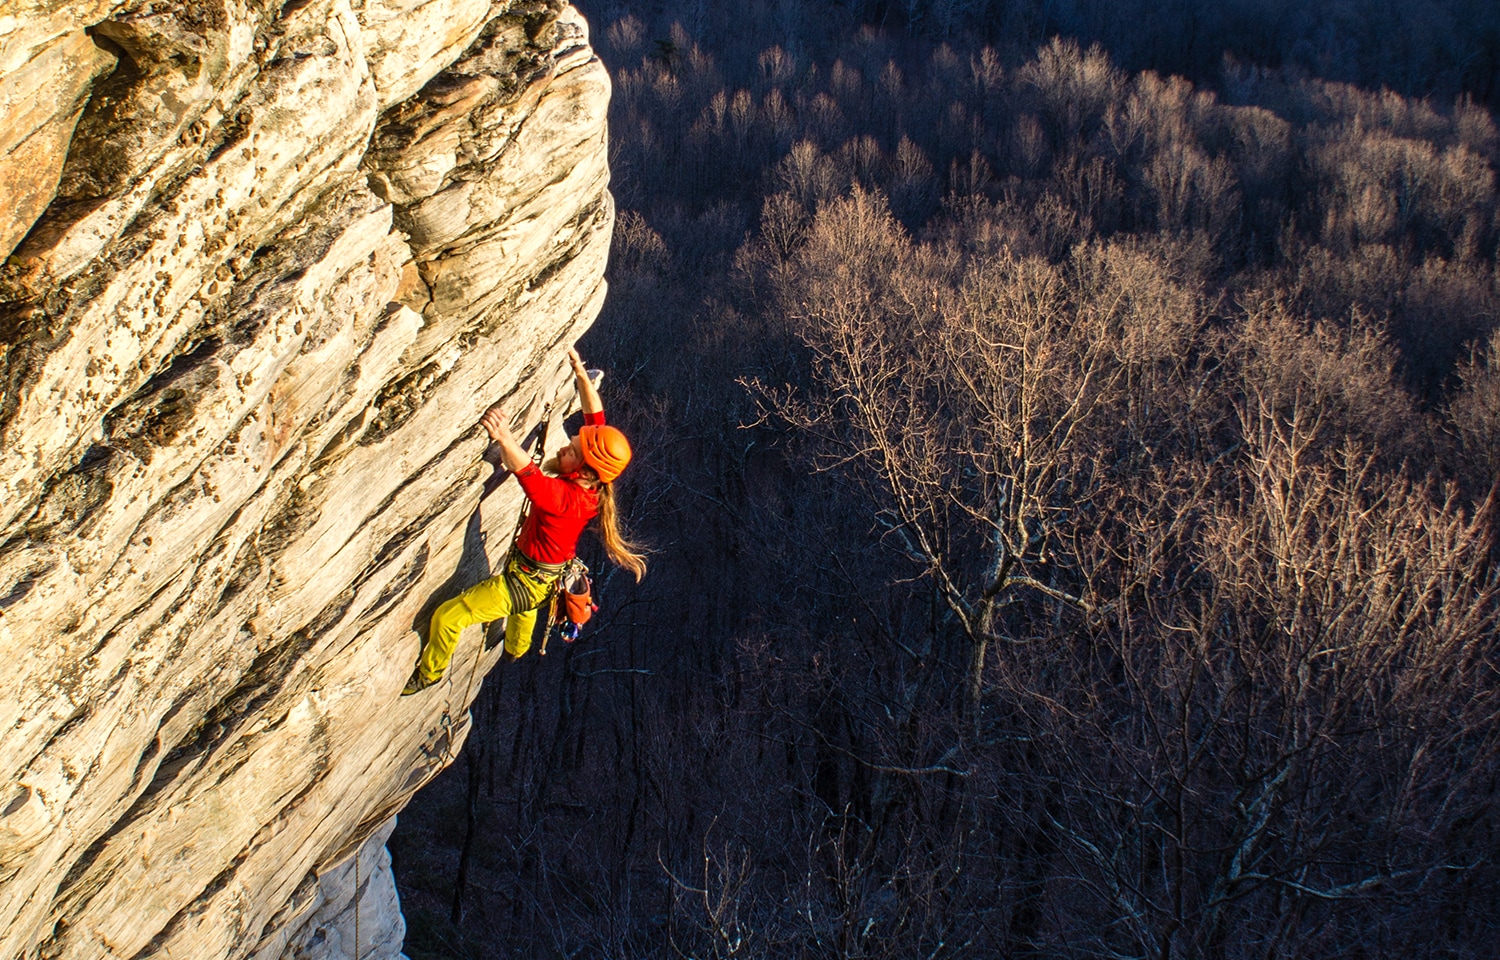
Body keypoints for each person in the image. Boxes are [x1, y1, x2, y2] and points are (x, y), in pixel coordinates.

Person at [402, 349, 646, 695]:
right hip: (538, 576)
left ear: (585, 470)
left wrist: (504, 437)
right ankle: (515, 650)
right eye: (571, 444)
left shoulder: (568, 501)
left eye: (571, 452)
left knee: (448, 616)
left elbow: (528, 473)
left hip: (524, 581)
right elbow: (595, 419)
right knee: (526, 609)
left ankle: (430, 672)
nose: (565, 449)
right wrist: (580, 374)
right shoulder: (594, 482)